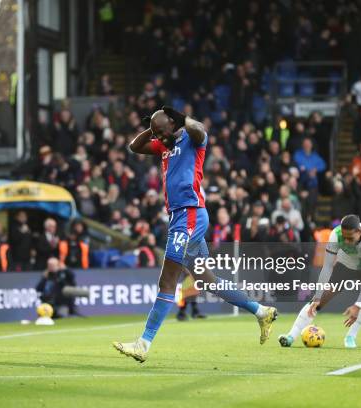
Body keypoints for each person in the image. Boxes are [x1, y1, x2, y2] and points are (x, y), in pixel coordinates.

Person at [113, 107, 276, 363]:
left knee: (167, 282)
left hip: (190, 215)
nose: (157, 137)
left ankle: (143, 344)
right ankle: (261, 311)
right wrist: (155, 128)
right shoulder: (163, 146)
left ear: (174, 124)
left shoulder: (191, 138)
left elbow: (200, 130)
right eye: (155, 132)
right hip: (180, 217)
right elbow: (135, 146)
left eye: (161, 131)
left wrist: (181, 120)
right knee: (208, 281)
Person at [278, 215, 361, 349]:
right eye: (345, 237)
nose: (347, 241)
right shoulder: (336, 234)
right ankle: (291, 336)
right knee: (319, 301)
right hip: (344, 267)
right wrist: (318, 294)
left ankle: (351, 336)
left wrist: (358, 305)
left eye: (350, 238)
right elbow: (327, 266)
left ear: (359, 231)